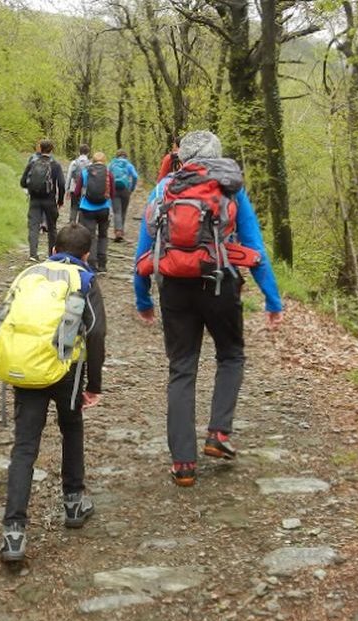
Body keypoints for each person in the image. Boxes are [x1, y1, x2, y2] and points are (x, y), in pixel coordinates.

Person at [132, 130, 283, 487]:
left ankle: (183, 464)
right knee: (230, 355)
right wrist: (272, 299)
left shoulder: (164, 188)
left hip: (174, 287)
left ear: (181, 157)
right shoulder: (229, 186)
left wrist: (143, 299)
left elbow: (144, 249)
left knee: (181, 368)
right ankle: (219, 434)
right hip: (219, 282)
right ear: (217, 156)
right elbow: (254, 244)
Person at [0, 223, 107, 563]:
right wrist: (94, 384)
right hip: (65, 369)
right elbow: (96, 333)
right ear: (86, 255)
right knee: (71, 427)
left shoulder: (28, 274)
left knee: (24, 446)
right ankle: (74, 502)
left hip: (25, 366)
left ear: (54, 249)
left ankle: (13, 532)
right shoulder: (85, 279)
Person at [19, 139, 66, 262]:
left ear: (40, 148)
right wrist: (60, 201)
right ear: (51, 149)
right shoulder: (55, 165)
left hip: (34, 199)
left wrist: (32, 188)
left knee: (33, 226)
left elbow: (23, 182)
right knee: (52, 228)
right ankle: (52, 255)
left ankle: (33, 254)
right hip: (50, 200)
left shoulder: (33, 163)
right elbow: (61, 184)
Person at [73, 151, 115, 273]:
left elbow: (76, 191)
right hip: (104, 208)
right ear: (104, 161)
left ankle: (91, 263)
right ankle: (102, 264)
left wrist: (79, 201)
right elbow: (112, 194)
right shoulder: (109, 174)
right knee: (103, 236)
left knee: (90, 236)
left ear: (92, 160)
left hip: (87, 208)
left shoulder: (85, 172)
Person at [107, 150, 140, 243]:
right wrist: (132, 188)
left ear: (117, 156)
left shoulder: (112, 164)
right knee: (123, 211)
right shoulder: (128, 165)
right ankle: (121, 232)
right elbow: (135, 176)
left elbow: (107, 175)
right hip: (125, 190)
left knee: (117, 211)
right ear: (126, 156)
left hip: (114, 189)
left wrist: (108, 188)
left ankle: (118, 231)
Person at [65, 144, 92, 224]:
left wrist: (67, 189)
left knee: (74, 205)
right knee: (83, 206)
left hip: (74, 187)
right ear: (88, 153)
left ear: (79, 152)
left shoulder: (74, 162)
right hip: (85, 188)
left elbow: (69, 176)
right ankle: (81, 224)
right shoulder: (90, 164)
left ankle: (72, 222)